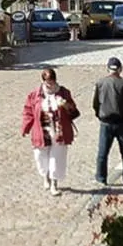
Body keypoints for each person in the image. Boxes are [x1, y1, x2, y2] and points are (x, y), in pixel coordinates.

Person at [21, 67, 80, 196]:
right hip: (42, 131)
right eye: (48, 83)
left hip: (59, 132)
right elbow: (28, 112)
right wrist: (25, 127)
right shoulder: (35, 95)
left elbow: (75, 112)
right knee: (41, 157)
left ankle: (54, 183)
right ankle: (45, 177)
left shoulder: (64, 93)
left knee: (56, 158)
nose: (50, 85)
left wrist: (66, 106)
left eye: (52, 83)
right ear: (43, 81)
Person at [93, 57, 123, 190]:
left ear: (108, 69)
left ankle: (101, 178)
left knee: (102, 152)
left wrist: (99, 115)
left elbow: (96, 103)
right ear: (120, 69)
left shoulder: (100, 83)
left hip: (106, 122)